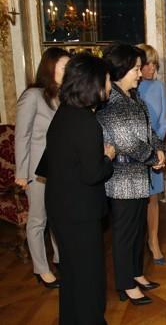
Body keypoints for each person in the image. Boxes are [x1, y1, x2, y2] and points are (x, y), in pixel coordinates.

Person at [36, 53, 115, 325]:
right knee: (90, 278)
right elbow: (93, 174)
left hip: (60, 207)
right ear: (93, 84)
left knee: (71, 273)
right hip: (79, 213)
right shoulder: (85, 122)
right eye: (106, 80)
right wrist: (108, 158)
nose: (109, 85)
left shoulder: (64, 112)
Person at [97, 44, 165, 305]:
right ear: (122, 69)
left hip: (139, 177)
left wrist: (158, 151)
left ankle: (136, 273)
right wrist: (152, 158)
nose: (141, 73)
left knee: (137, 230)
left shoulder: (135, 97)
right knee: (124, 233)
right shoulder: (110, 102)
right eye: (136, 68)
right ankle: (125, 284)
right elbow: (126, 142)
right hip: (121, 180)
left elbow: (150, 132)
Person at [15, 47, 70, 288]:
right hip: (36, 173)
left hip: (60, 171)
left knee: (58, 217)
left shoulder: (64, 96)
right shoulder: (33, 96)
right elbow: (21, 136)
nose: (68, 71)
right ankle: (41, 268)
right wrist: (21, 174)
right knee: (38, 220)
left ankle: (60, 259)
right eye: (64, 67)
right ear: (51, 67)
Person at [136, 44, 166, 265]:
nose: (150, 69)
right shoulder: (128, 87)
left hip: (154, 149)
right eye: (146, 64)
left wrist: (155, 147)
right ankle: (136, 241)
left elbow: (164, 119)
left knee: (153, 198)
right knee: (137, 200)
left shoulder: (159, 87)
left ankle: (153, 241)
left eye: (154, 64)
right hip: (133, 152)